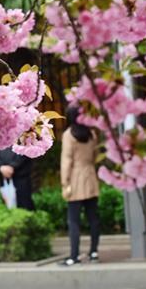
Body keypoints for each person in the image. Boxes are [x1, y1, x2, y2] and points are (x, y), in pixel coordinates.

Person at [60, 105, 101, 266]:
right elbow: (96, 155)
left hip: (75, 178)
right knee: (93, 218)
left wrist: (65, 183)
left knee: (74, 220)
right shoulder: (92, 134)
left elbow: (66, 160)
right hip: (90, 175)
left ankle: (74, 256)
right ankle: (94, 252)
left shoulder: (69, 135)